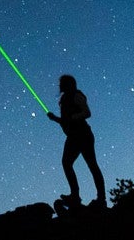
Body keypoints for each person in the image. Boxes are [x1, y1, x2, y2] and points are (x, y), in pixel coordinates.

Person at [46, 74, 106, 208]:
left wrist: (71, 118)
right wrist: (55, 118)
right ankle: (75, 196)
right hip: (74, 136)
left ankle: (100, 198)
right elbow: (66, 121)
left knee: (91, 165)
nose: (59, 86)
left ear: (68, 84)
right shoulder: (66, 99)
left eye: (62, 83)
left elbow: (87, 113)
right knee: (67, 163)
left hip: (82, 134)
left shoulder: (76, 95)